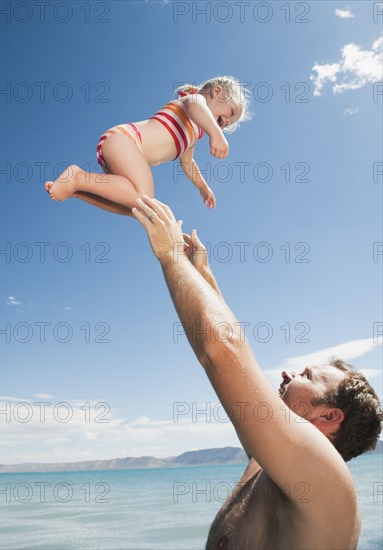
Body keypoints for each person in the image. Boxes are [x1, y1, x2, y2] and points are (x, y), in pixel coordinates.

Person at [132, 195, 382, 550]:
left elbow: (222, 350)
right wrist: (203, 275)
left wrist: (171, 258)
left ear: (329, 415)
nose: (286, 374)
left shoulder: (326, 482)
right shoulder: (267, 464)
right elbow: (239, 368)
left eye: (306, 376)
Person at [44, 76, 250, 215]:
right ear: (216, 92)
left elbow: (188, 163)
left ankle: (77, 190)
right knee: (145, 197)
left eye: (227, 125)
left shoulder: (193, 134)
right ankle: (78, 177)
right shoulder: (193, 101)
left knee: (139, 209)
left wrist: (203, 187)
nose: (224, 124)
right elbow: (197, 107)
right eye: (228, 115)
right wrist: (216, 134)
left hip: (124, 152)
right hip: (124, 140)